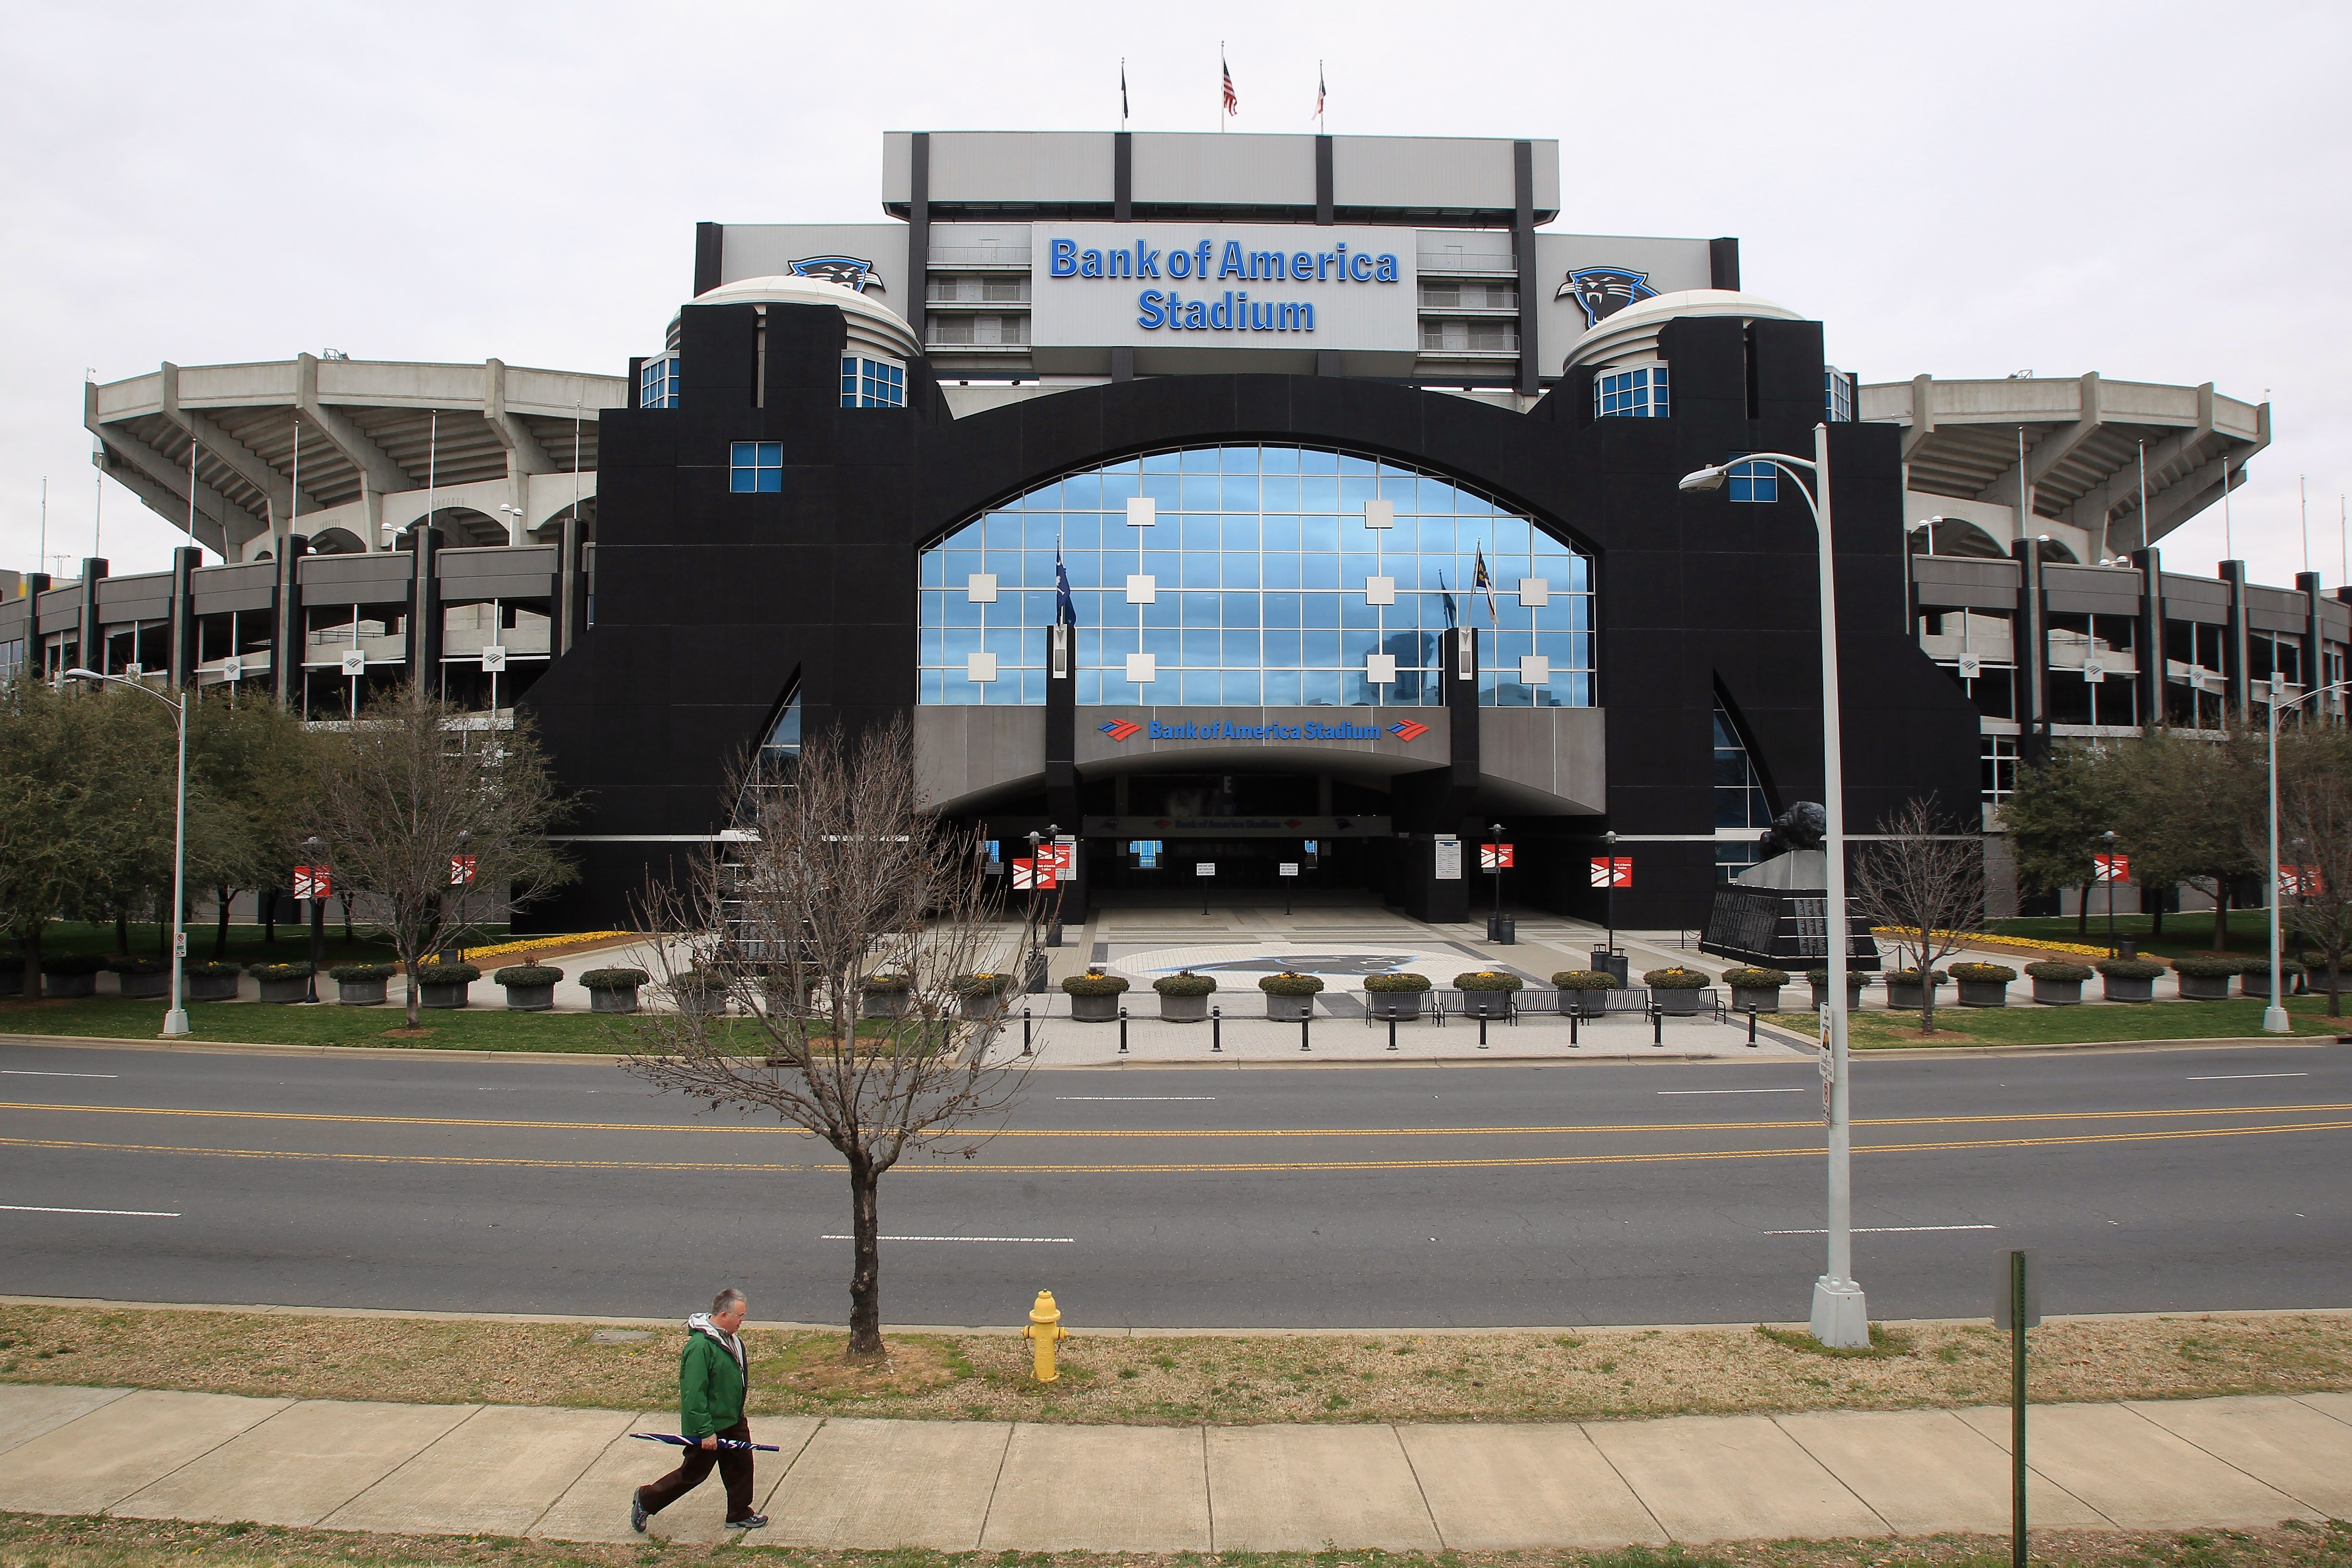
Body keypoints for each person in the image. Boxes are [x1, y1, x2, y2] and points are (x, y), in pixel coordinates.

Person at [631, 1288, 766, 1532]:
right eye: (740, 1316)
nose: (742, 1321)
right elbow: (693, 1394)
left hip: (732, 1419)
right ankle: (647, 1499)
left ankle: (739, 1513)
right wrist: (705, 1431)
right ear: (724, 1315)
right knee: (694, 1474)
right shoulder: (700, 1347)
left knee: (742, 1466)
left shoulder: (732, 1339)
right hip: (710, 1425)